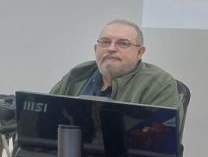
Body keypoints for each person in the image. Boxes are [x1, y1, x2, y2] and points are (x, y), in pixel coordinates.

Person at [50, 19, 183, 116]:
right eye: (105, 42)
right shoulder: (78, 74)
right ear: (96, 49)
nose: (111, 48)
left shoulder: (159, 84)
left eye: (123, 43)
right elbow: (46, 117)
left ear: (139, 52)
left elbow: (161, 138)